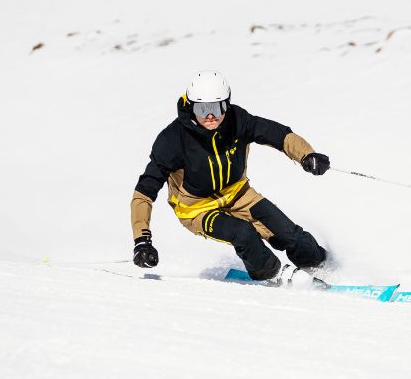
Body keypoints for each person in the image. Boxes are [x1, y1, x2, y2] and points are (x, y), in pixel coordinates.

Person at [130, 70, 330, 282]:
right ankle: (273, 274)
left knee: (290, 234)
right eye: (202, 108)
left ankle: (319, 264)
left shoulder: (237, 120)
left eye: (217, 107)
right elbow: (144, 192)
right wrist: (142, 240)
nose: (210, 116)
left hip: (239, 195)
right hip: (197, 209)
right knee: (242, 233)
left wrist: (307, 155)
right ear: (190, 106)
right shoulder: (172, 140)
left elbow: (277, 134)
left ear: (227, 104)